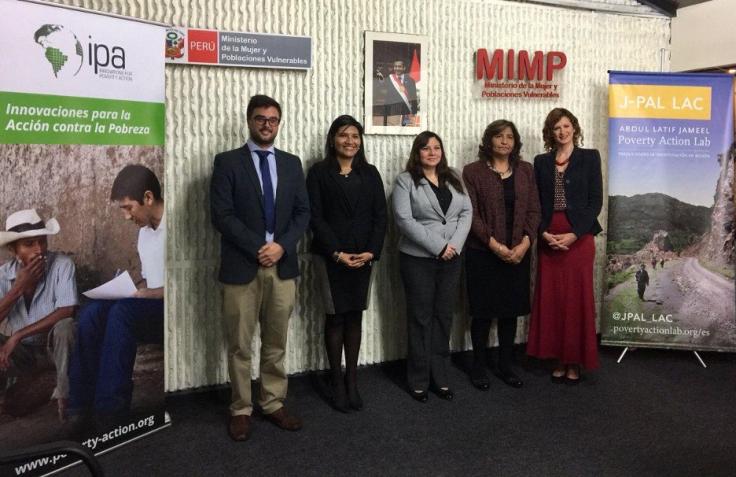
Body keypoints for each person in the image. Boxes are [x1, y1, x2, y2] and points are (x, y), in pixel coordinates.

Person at [210, 94, 310, 441]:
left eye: (273, 119)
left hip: (282, 266)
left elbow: (303, 213)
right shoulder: (227, 162)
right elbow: (220, 215)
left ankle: (272, 402)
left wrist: (281, 246)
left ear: (279, 123)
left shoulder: (292, 163)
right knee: (239, 343)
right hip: (242, 266)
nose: (267, 124)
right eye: (260, 118)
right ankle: (240, 408)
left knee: (276, 341)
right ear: (249, 121)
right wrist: (258, 247)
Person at [68, 165, 165, 419]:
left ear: (147, 198)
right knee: (93, 312)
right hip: (151, 306)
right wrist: (132, 289)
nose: (126, 216)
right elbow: (150, 280)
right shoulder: (144, 234)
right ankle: (80, 405)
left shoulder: (179, 226)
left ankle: (109, 410)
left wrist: (149, 294)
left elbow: (191, 282)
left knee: (122, 313)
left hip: (175, 307)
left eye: (128, 207)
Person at [306, 115, 387, 412]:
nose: (350, 141)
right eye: (343, 135)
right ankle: (336, 381)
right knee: (335, 317)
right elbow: (315, 217)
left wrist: (371, 252)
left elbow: (381, 216)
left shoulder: (371, 173)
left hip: (364, 258)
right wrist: (336, 253)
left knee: (355, 317)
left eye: (355, 136)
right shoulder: (318, 173)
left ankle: (352, 380)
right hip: (331, 258)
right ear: (332, 139)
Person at [392, 131, 472, 402]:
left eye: (437, 147)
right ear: (418, 152)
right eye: (426, 148)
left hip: (452, 258)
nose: (432, 152)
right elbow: (404, 220)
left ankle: (441, 376)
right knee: (420, 318)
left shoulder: (455, 175)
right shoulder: (406, 181)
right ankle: (418, 379)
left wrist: (455, 246)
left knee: (443, 317)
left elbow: (466, 212)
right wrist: (438, 247)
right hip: (418, 259)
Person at [462, 120, 540, 390]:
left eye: (510, 137)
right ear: (489, 140)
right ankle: (479, 367)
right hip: (483, 253)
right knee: (482, 313)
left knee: (511, 312)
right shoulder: (472, 172)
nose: (505, 141)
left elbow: (534, 211)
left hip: (519, 252)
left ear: (516, 142)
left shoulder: (526, 170)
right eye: (499, 136)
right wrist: (494, 246)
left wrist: (525, 244)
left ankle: (505, 365)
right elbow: (471, 214)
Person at [527, 108, 603, 384]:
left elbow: (595, 202)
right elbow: (534, 203)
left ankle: (574, 362)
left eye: (567, 125)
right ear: (550, 132)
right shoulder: (541, 162)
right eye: (557, 127)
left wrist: (574, 234)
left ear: (575, 128)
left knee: (577, 300)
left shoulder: (590, 158)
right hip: (549, 237)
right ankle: (557, 359)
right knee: (553, 300)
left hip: (579, 239)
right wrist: (542, 233)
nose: (563, 131)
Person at [0, 209, 77, 421]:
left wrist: (17, 335)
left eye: (42, 242)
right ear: (12, 249)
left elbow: (66, 310)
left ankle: (66, 396)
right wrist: (18, 288)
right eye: (29, 244)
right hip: (24, 355)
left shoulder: (62, 265)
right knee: (15, 404)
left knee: (66, 326)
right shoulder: (3, 275)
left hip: (54, 348)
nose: (39, 250)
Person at [373, 59, 418, 127]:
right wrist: (378, 73)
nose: (397, 68)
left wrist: (414, 112)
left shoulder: (411, 81)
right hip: (393, 111)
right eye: (395, 66)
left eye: (399, 66)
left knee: (406, 129)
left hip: (407, 112)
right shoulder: (390, 79)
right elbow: (381, 83)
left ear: (404, 68)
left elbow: (414, 96)